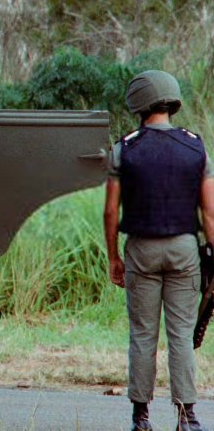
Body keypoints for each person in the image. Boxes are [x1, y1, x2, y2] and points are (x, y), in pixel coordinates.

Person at [105, 70, 214, 431]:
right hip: (184, 249)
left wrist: (113, 257)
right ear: (172, 100)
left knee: (143, 334)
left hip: (141, 249)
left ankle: (141, 416)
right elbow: (209, 212)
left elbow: (110, 211)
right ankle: (188, 417)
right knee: (182, 334)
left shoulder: (125, 148)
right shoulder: (196, 145)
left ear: (138, 102)